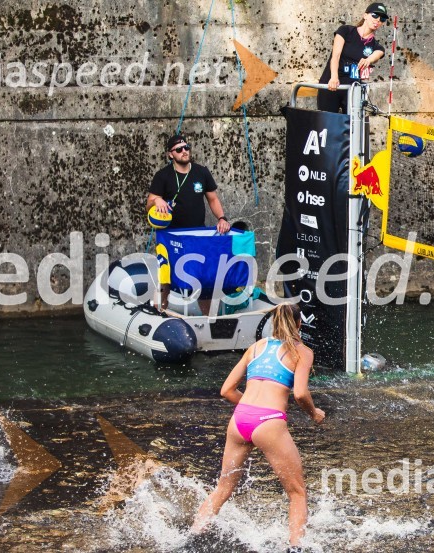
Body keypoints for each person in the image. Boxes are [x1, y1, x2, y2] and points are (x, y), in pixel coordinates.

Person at [193, 303, 325, 552]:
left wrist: (251, 409)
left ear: (273, 323)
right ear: (299, 324)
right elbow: (300, 393)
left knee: (223, 488)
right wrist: (314, 413)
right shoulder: (302, 352)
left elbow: (226, 390)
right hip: (269, 422)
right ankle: (296, 547)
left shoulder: (255, 348)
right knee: (297, 493)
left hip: (239, 420)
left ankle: (193, 535)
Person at [147, 134, 231, 312]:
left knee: (201, 278)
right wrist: (156, 201)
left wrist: (222, 218)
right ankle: (159, 312)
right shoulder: (163, 176)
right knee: (165, 278)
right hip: (169, 236)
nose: (184, 151)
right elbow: (149, 202)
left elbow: (213, 199)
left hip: (195, 236)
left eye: (187, 147)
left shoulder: (202, 172)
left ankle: (209, 319)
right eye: (179, 149)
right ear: (171, 154)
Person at [317, 2, 388, 114]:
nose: (378, 20)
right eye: (375, 15)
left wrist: (368, 60)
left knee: (353, 126)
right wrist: (334, 77)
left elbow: (378, 53)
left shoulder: (375, 45)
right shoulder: (345, 31)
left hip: (352, 90)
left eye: (382, 19)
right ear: (365, 15)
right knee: (326, 124)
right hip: (331, 83)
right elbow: (336, 56)